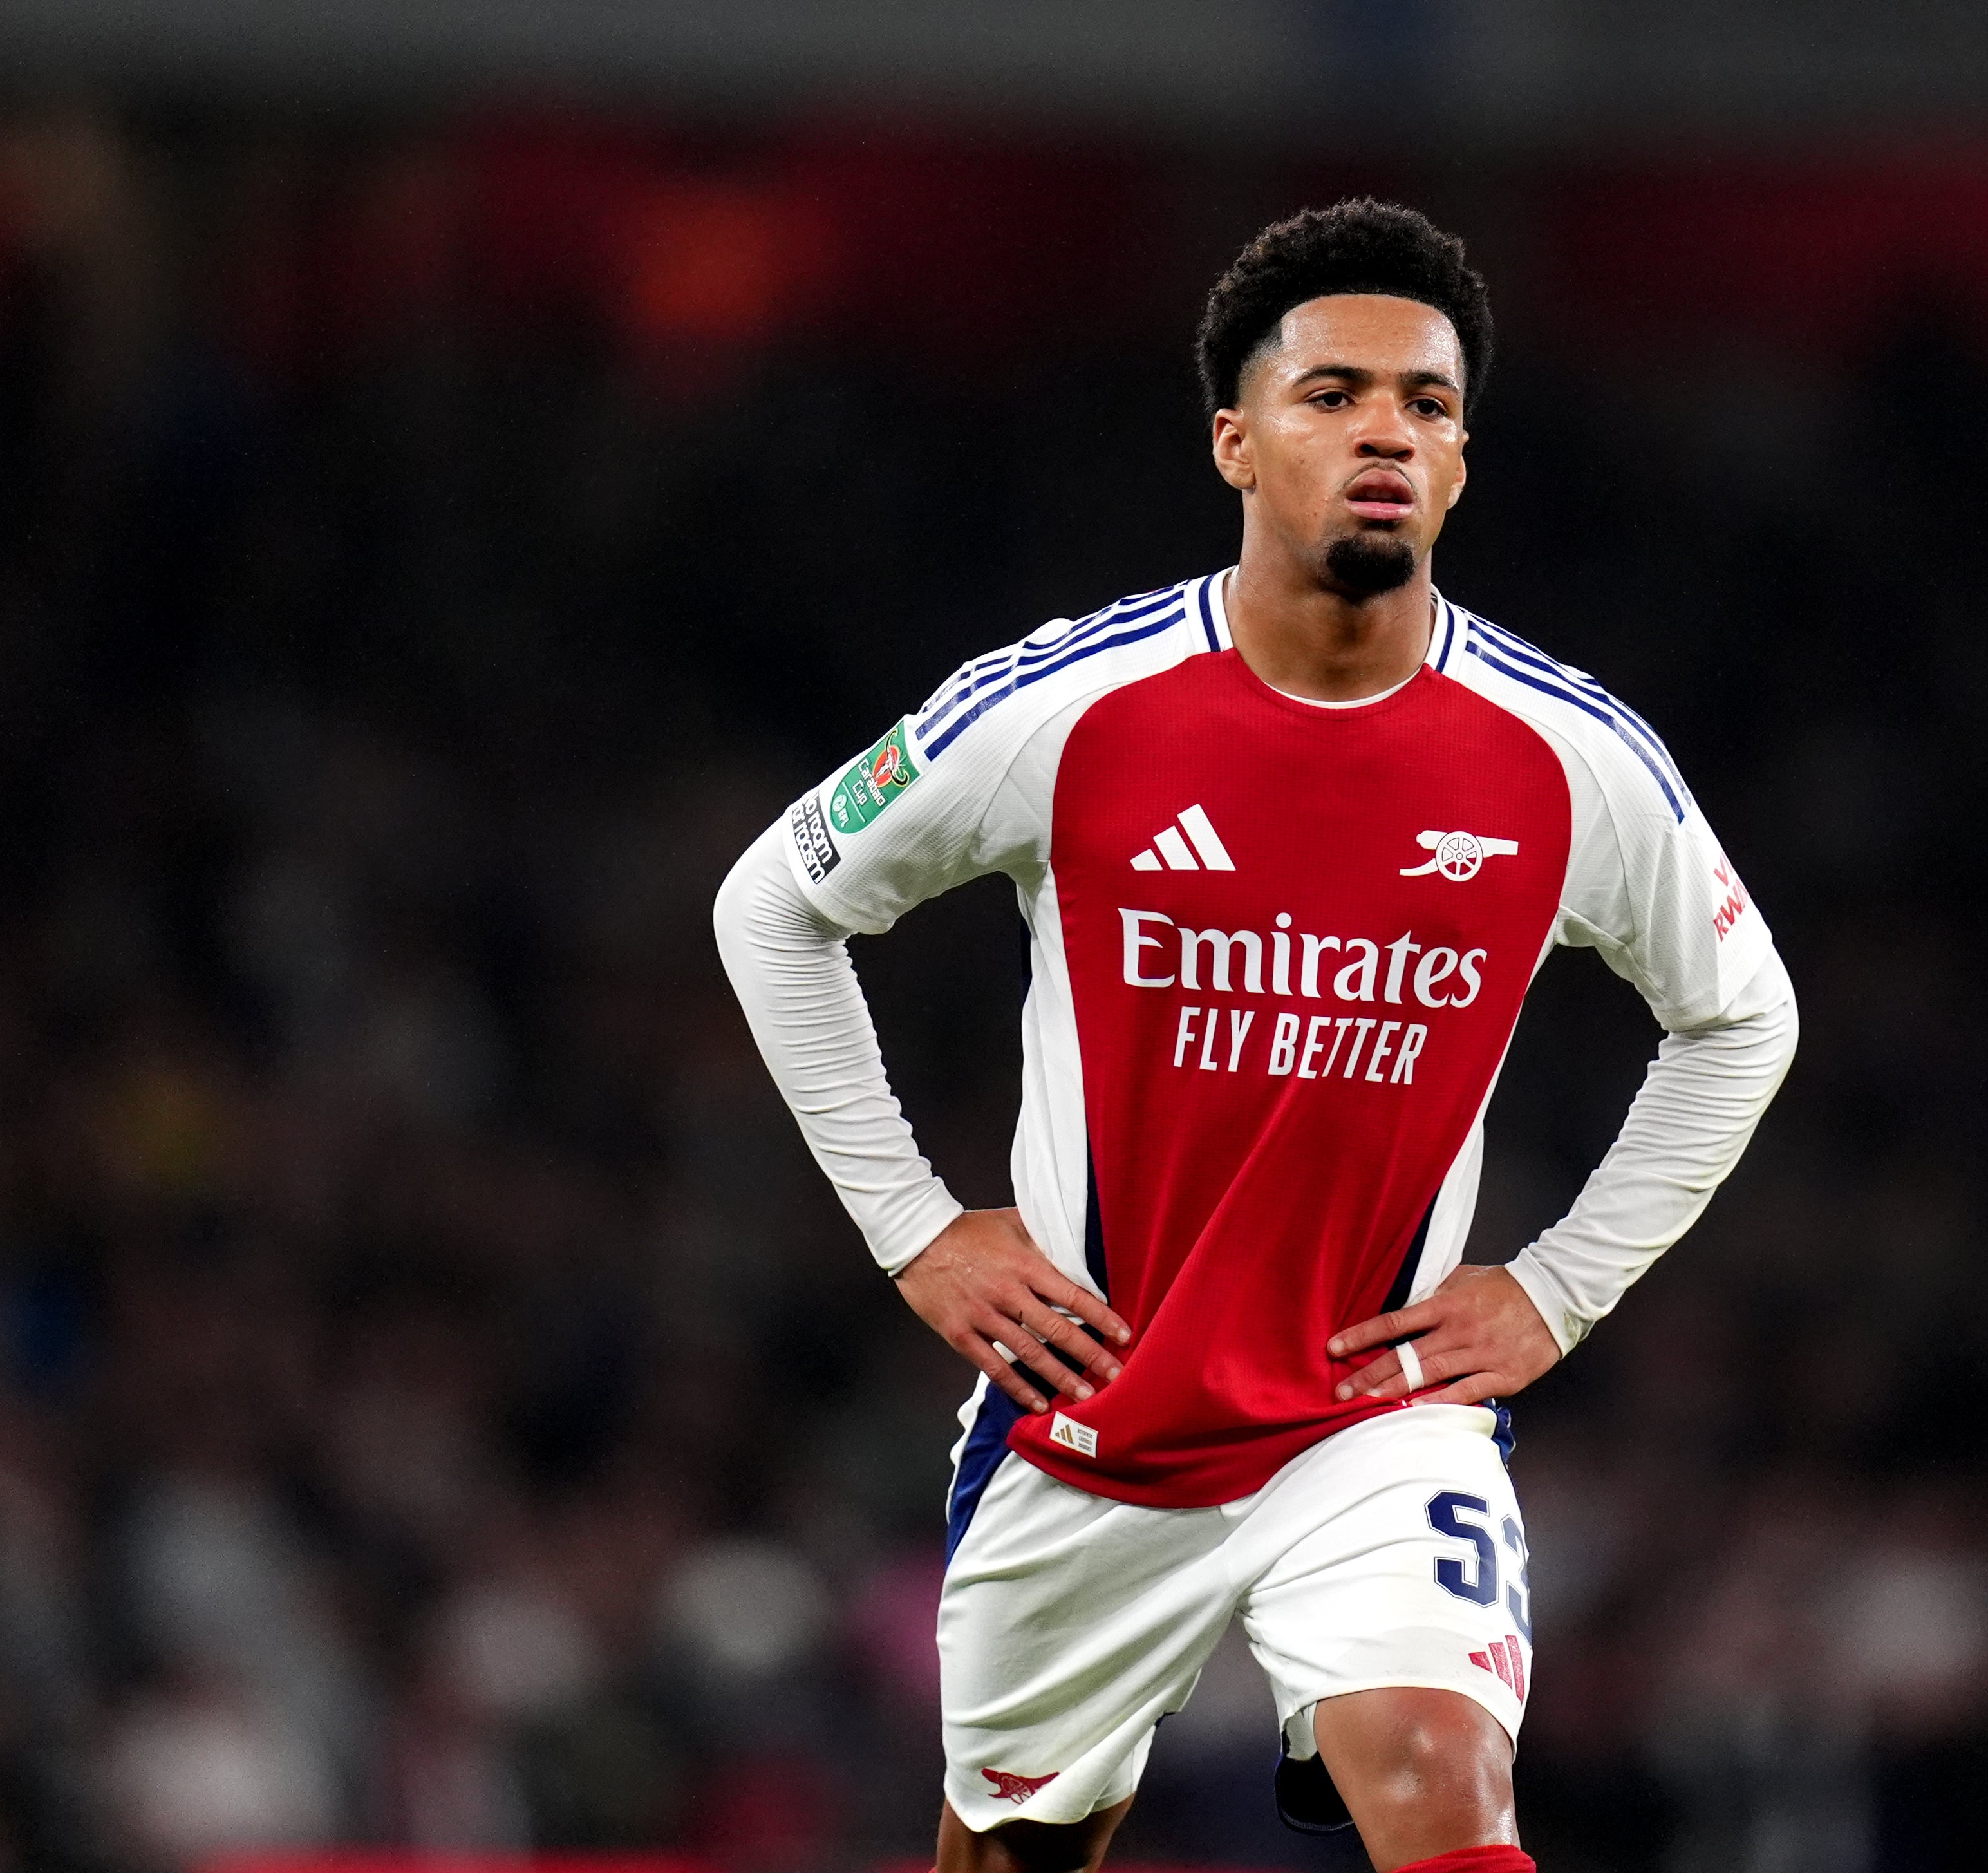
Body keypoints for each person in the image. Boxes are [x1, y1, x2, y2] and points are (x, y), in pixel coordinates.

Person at [713, 198, 1797, 1873]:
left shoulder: (1564, 755)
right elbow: (770, 904)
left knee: (1441, 1780)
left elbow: (1741, 1017)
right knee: (1007, 1857)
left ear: (1458, 465)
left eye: (1426, 406)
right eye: (1333, 393)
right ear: (1235, 439)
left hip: (1378, 1412)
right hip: (1091, 1417)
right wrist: (916, 1232)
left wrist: (1558, 1286)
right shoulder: (1069, 707)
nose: (1385, 430)